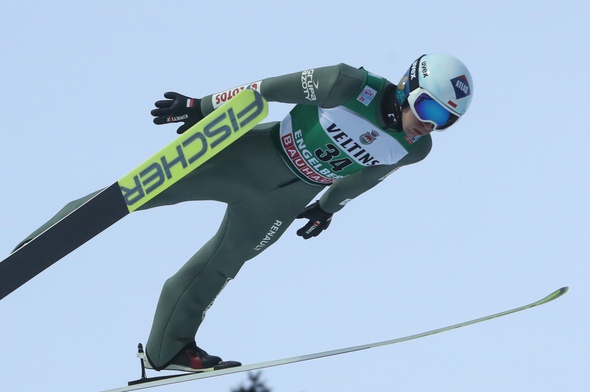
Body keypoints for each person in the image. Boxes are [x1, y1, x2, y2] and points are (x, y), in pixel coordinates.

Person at [15, 53, 473, 372]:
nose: (429, 122)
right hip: (248, 157)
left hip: (283, 202)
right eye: (429, 106)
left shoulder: (416, 149)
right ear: (410, 84)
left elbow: (368, 176)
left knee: (218, 268)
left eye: (446, 119)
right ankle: (27, 251)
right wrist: (202, 106)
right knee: (126, 196)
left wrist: (328, 209)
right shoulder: (348, 84)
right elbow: (266, 89)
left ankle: (167, 351)